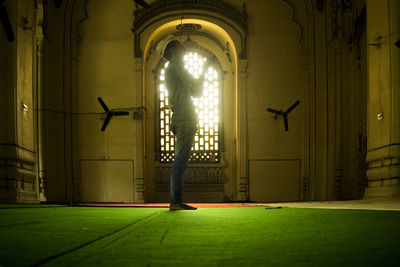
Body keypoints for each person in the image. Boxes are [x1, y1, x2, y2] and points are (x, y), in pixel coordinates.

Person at [156, 35, 210, 210]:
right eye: (179, 45)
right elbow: (196, 89)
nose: (183, 47)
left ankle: (176, 201)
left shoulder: (171, 67)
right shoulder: (176, 65)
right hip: (184, 119)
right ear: (172, 50)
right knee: (180, 162)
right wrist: (204, 70)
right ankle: (175, 201)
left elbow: (194, 91)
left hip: (180, 118)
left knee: (180, 161)